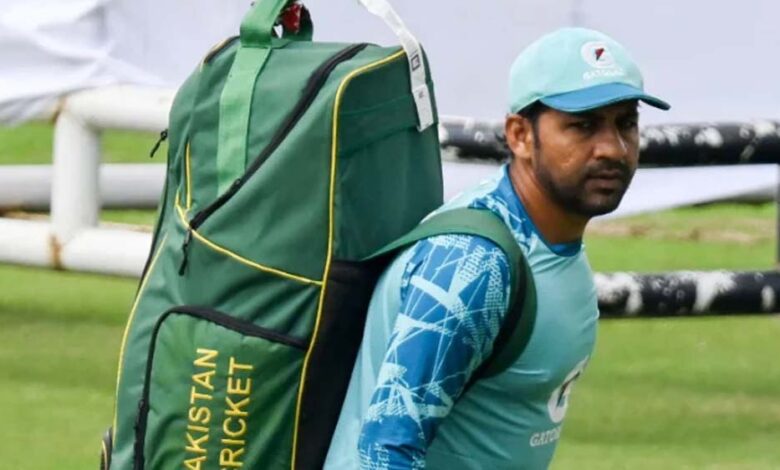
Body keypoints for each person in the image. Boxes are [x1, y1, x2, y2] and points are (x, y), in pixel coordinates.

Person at [324, 27, 669, 470]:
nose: (613, 149)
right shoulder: (474, 264)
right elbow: (384, 453)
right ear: (520, 135)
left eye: (626, 123)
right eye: (583, 126)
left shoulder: (550, 241)